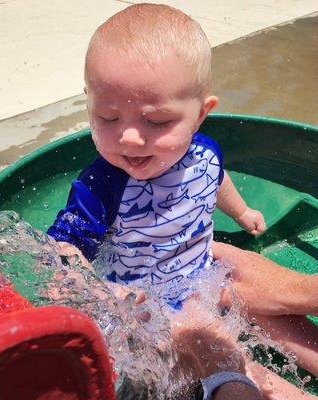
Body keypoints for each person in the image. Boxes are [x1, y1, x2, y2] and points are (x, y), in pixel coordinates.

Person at [47, 4, 317, 398]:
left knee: (274, 319)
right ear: (88, 104)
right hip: (148, 305)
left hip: (205, 274)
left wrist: (241, 212)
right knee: (227, 357)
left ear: (200, 114)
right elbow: (64, 249)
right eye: (107, 117)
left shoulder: (204, 151)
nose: (130, 138)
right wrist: (96, 293)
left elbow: (215, 180)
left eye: (157, 122)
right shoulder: (101, 183)